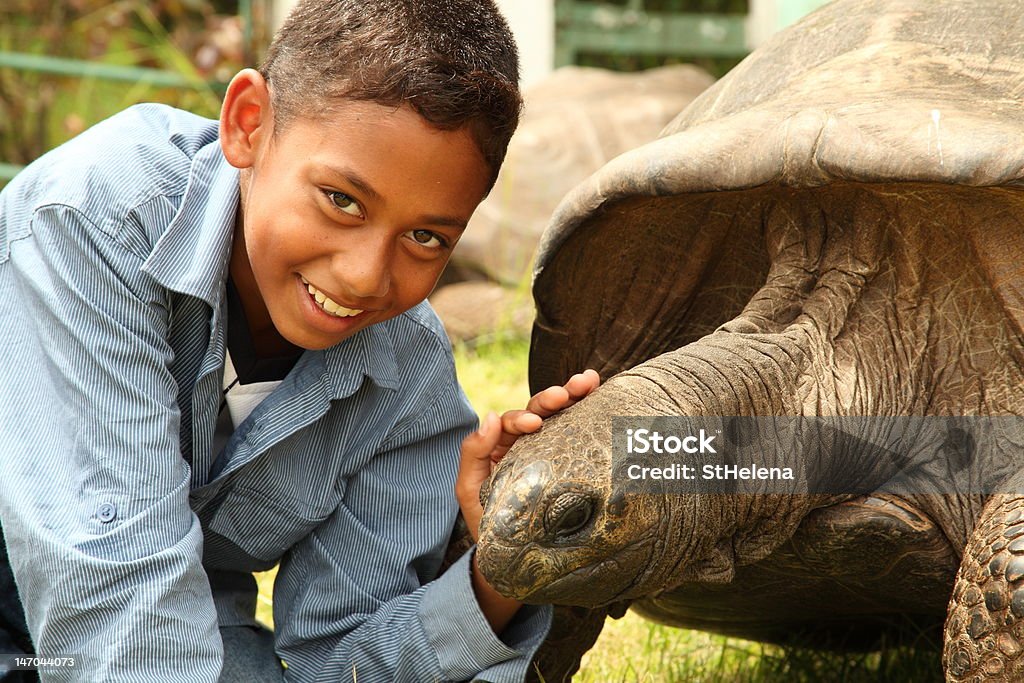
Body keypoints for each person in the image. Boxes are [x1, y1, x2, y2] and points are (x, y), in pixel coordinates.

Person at [0, 1, 600, 681]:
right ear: (248, 124)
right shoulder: (95, 220)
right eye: (342, 200)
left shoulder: (408, 381)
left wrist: (503, 563)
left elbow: (341, 663)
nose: (364, 275)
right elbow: (113, 589)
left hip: (183, 633)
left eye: (426, 237)